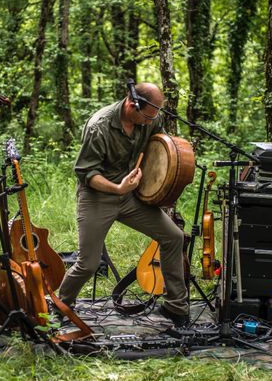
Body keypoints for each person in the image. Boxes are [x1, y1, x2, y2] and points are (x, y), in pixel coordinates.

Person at [58, 82, 190, 326]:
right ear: (132, 104)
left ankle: (176, 307)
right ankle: (61, 306)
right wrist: (118, 188)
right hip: (97, 196)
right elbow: (86, 172)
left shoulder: (149, 119)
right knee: (88, 264)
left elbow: (162, 147)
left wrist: (159, 182)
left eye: (155, 117)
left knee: (174, 236)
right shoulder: (100, 126)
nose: (151, 122)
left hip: (131, 196)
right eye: (148, 117)